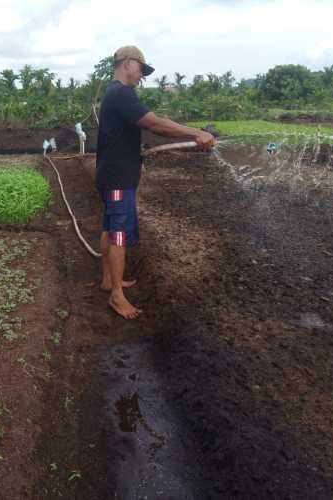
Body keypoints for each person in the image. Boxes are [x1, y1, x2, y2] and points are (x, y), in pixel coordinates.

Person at [95, 46, 215, 320]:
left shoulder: (116, 93)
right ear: (127, 64)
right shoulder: (121, 94)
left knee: (109, 226)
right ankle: (116, 295)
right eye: (141, 70)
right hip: (117, 180)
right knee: (119, 234)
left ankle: (108, 280)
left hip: (111, 174)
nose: (142, 76)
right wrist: (196, 133)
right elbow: (155, 123)